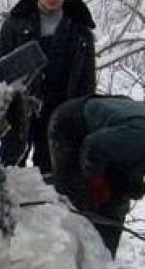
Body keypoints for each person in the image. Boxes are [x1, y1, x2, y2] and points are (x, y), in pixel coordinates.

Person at [0, 0, 97, 174]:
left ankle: (46, 204)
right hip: (20, 104)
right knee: (11, 160)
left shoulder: (79, 29)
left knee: (52, 161)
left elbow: (87, 75)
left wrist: (83, 108)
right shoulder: (16, 22)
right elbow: (1, 63)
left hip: (60, 104)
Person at [48, 95, 145, 257]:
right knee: (78, 204)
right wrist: (97, 184)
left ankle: (102, 267)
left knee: (117, 204)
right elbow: (93, 146)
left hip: (113, 134)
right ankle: (68, 267)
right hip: (72, 125)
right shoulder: (139, 137)